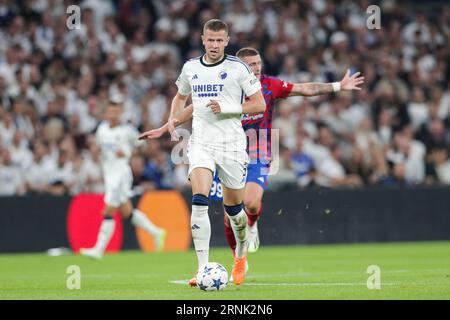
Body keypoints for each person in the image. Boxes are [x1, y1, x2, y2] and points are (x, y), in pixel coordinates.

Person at [140, 47, 364, 265]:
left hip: (258, 150)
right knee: (230, 215)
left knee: (252, 204)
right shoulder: (227, 83)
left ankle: (253, 224)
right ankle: (239, 257)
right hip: (224, 149)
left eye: (258, 63)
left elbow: (304, 88)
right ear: (240, 68)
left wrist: (338, 86)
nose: (256, 68)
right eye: (251, 65)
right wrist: (168, 125)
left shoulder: (269, 85)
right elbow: (195, 107)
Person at [152, 19, 265, 286]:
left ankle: (240, 254)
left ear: (227, 41)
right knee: (199, 199)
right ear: (202, 39)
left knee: (234, 209)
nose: (214, 45)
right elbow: (180, 97)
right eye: (210, 39)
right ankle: (202, 268)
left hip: (232, 145)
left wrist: (228, 109)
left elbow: (258, 104)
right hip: (201, 142)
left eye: (219, 40)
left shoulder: (238, 68)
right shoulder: (191, 68)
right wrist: (172, 122)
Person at [80, 96, 166, 260]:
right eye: (111, 111)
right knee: (127, 213)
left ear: (120, 113)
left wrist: (127, 153)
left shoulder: (127, 131)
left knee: (108, 210)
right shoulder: (102, 129)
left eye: (116, 111)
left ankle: (98, 250)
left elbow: (143, 147)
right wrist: (96, 151)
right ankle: (156, 232)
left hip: (121, 174)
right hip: (108, 173)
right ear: (106, 113)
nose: (113, 114)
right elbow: (98, 147)